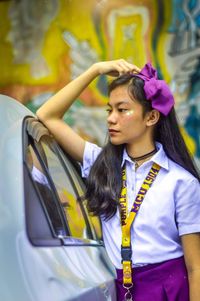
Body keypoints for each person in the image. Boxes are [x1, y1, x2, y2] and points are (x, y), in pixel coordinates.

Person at [36, 59, 200, 301]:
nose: (111, 119)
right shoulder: (101, 164)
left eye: (122, 110)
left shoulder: (181, 183)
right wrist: (95, 70)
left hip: (169, 290)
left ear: (151, 117)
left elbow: (195, 267)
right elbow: (46, 115)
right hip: (122, 289)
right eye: (109, 110)